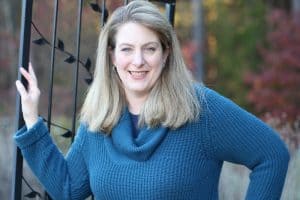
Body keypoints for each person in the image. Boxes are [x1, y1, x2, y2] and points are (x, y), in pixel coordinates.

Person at [14, 1, 290, 199]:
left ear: (166, 53)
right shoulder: (99, 119)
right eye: (126, 49)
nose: (138, 61)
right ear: (111, 56)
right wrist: (31, 121)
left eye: (149, 48)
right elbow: (68, 188)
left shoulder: (200, 109)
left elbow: (272, 155)